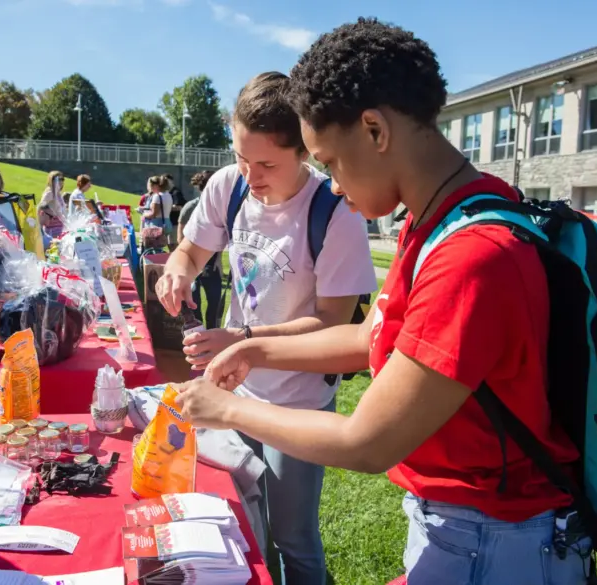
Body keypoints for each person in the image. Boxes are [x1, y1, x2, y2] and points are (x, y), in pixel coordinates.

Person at [174, 19, 591, 585]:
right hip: (463, 527)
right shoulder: (442, 220)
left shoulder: (471, 256)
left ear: (374, 130)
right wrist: (256, 352)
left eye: (331, 162)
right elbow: (371, 337)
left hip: (493, 538)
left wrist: (227, 410)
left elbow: (367, 441)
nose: (336, 186)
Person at [155, 71, 376, 585]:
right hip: (233, 388)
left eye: (267, 164)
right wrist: (178, 270)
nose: (250, 176)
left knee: (292, 537)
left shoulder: (333, 214)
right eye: (240, 158)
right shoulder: (228, 186)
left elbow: (332, 324)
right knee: (246, 528)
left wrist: (243, 342)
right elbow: (191, 250)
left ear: (304, 151)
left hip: (296, 402)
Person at [178, 170, 221, 328]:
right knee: (195, 302)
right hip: (194, 265)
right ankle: (200, 332)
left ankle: (211, 332)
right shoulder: (191, 207)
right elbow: (181, 239)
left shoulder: (218, 208)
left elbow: (220, 238)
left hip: (211, 265)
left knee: (213, 303)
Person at [38, 170, 67, 241]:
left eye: (62, 179)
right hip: (52, 229)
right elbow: (40, 208)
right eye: (58, 179)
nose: (60, 181)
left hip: (60, 227)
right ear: (51, 180)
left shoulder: (58, 193)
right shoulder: (50, 193)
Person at [164, 173, 187, 251]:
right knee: (169, 244)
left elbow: (179, 207)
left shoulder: (176, 193)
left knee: (173, 245)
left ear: (171, 181)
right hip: (169, 222)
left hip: (175, 223)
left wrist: (166, 208)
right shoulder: (167, 193)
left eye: (167, 181)